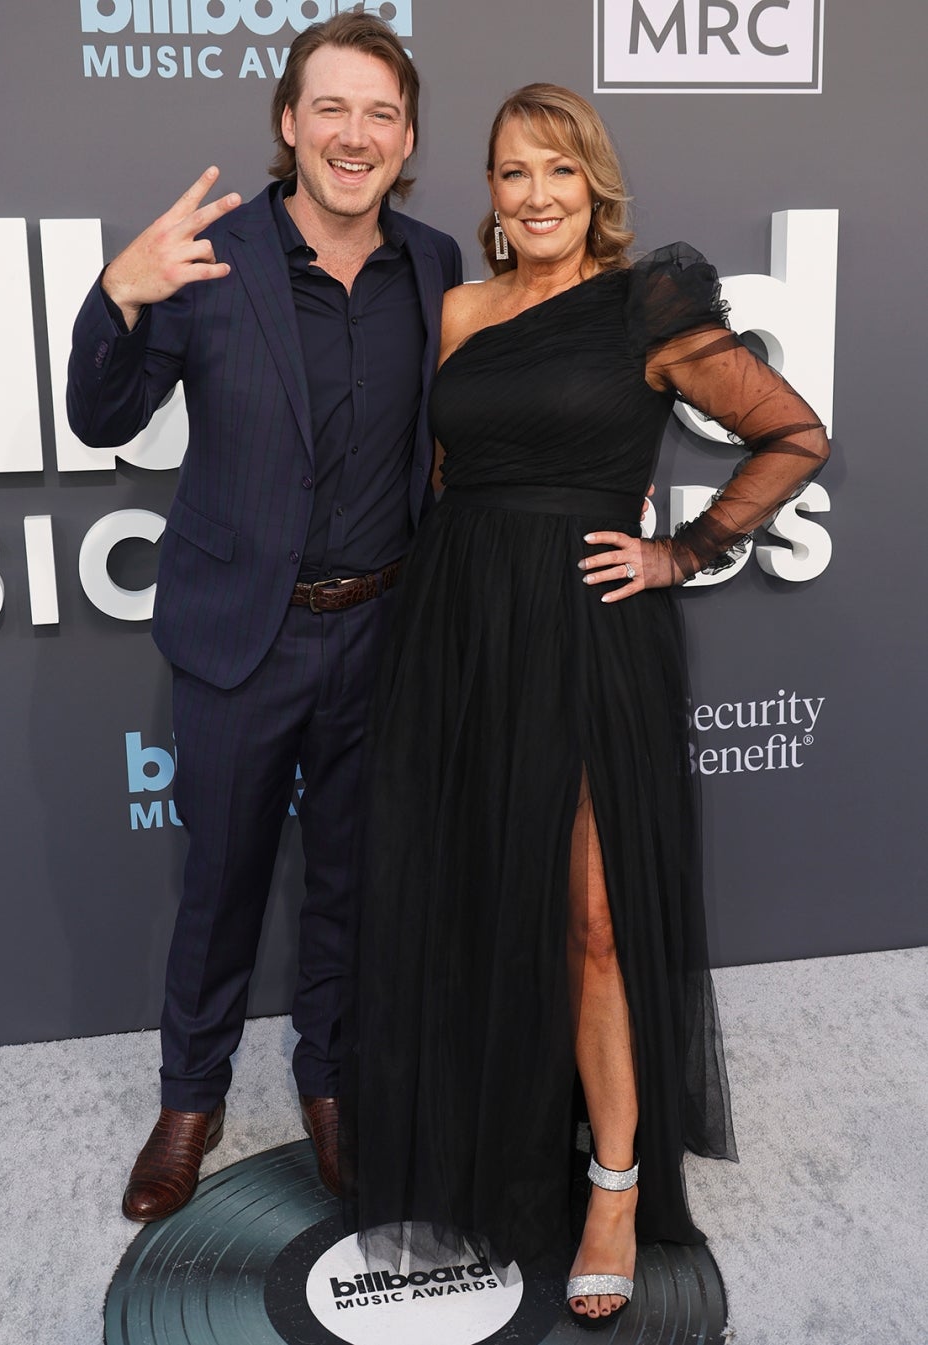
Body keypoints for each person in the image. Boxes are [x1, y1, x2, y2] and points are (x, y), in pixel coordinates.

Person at [349, 83, 830, 1321]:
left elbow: (791, 433)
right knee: (475, 896)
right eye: (514, 172)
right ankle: (497, 1143)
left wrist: (682, 549)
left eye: (559, 169)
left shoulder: (645, 304)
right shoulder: (460, 309)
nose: (537, 194)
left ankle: (615, 1181)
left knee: (595, 919)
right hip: (462, 624)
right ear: (490, 194)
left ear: (594, 184)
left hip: (586, 628)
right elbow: (446, 472)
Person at [66, 12, 462, 1221]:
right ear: (289, 123)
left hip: (384, 631)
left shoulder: (435, 262)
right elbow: (100, 418)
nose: (355, 134)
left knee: (353, 883)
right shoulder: (211, 258)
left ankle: (330, 1083)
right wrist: (118, 297)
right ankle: (189, 1100)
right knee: (221, 884)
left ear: (407, 140)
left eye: (380, 113)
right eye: (330, 107)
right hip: (244, 633)